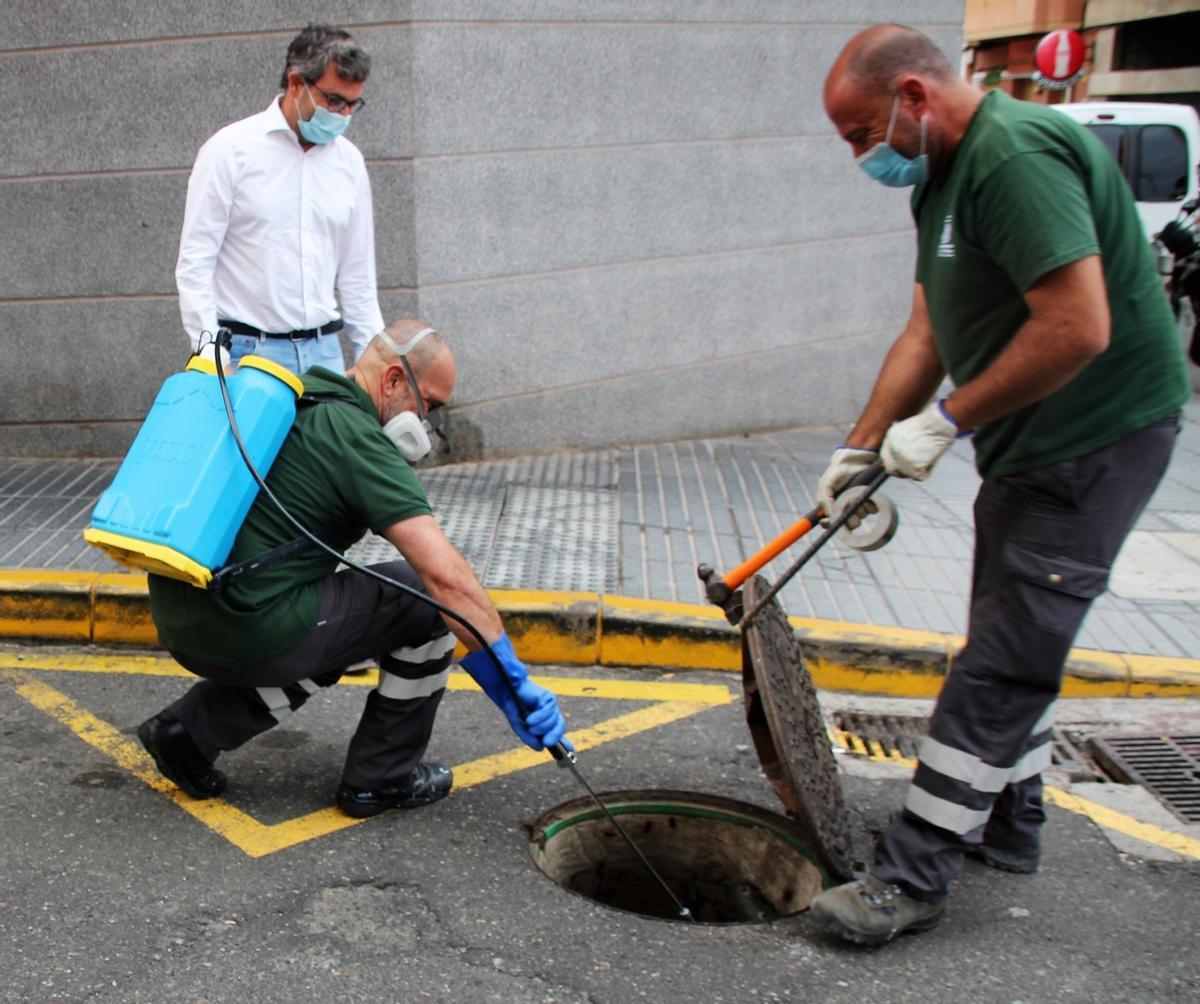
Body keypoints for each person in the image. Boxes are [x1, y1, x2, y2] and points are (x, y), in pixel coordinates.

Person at [809, 24, 1189, 945]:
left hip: (1094, 441)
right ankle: (1011, 826)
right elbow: (926, 332)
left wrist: (947, 421)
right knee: (1009, 633)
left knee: (1004, 659)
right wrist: (859, 450)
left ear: (913, 95)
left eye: (863, 133)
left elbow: (1078, 326)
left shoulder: (1012, 156)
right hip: (1032, 446)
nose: (862, 156)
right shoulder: (941, 179)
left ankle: (911, 875)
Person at [137, 319, 571, 817]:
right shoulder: (359, 439)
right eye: (429, 404)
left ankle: (188, 734)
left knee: (344, 620)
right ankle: (380, 779)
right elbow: (446, 579)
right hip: (245, 629)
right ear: (392, 380)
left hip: (180, 614)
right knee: (421, 601)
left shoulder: (303, 395)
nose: (427, 422)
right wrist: (513, 681)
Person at [175, 24, 384, 374]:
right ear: (296, 83)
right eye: (334, 101)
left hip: (325, 355)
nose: (344, 115)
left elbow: (358, 277)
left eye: (353, 104)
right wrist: (212, 354)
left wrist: (374, 363)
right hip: (247, 353)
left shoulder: (349, 162)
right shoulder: (230, 151)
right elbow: (195, 262)